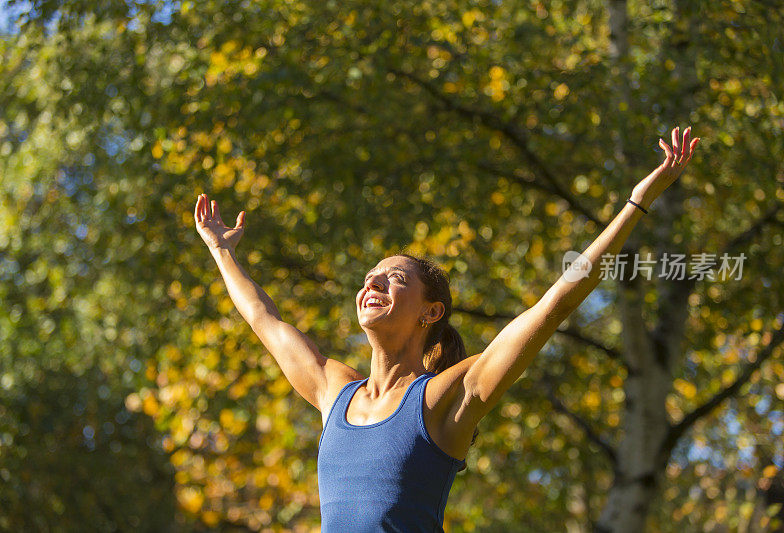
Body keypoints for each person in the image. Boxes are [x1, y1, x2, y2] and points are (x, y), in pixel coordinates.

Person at [194, 127, 700, 531]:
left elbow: (550, 309)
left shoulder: (445, 400)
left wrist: (636, 204)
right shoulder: (334, 393)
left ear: (430, 312)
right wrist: (222, 250)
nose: (373, 281)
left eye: (394, 277)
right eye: (370, 275)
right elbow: (264, 318)